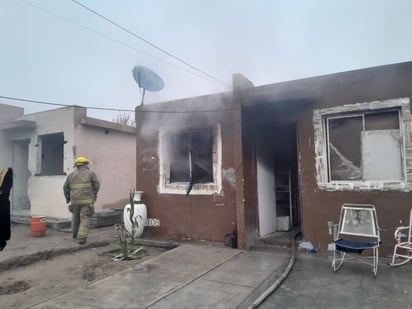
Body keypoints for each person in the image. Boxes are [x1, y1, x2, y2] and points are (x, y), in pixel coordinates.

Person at [63, 157, 100, 244]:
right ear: (85, 164)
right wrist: (94, 195)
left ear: (77, 165)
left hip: (75, 201)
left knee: (75, 218)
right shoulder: (91, 174)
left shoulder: (71, 175)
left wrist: (68, 198)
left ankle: (74, 234)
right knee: (85, 218)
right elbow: (97, 185)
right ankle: (82, 237)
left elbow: (65, 188)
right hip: (87, 201)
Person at [0, 167, 13, 251]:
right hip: (4, 205)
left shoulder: (6, 183)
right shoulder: (8, 182)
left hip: (3, 206)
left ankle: (2, 242)